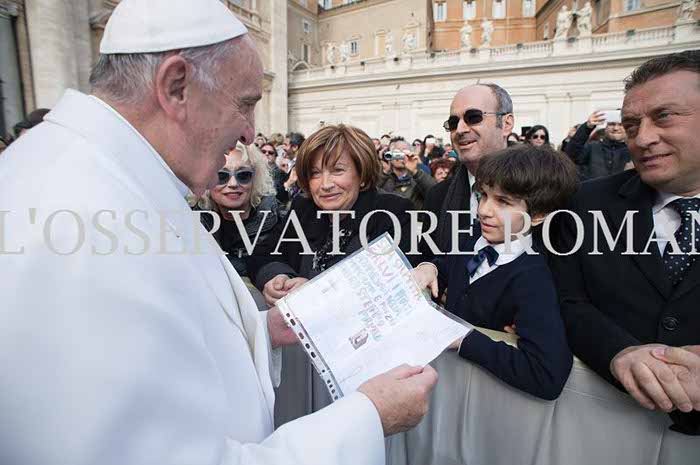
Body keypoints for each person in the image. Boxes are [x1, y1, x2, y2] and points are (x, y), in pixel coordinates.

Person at [0, 2, 438, 464]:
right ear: (176, 86)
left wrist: (262, 331)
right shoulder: (79, 209)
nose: (250, 132)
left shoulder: (111, 176)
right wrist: (368, 417)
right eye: (246, 103)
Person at [550, 50, 700, 435]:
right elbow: (567, 300)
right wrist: (618, 351)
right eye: (632, 125)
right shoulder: (584, 203)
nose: (643, 138)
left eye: (664, 116)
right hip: (603, 429)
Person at [414, 144, 578, 400]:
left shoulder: (532, 279)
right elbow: (454, 269)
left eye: (503, 202)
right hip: (444, 391)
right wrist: (431, 267)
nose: (484, 210)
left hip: (485, 401)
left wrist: (465, 339)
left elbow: (547, 375)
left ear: (538, 215)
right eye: (483, 196)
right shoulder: (473, 238)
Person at [251, 124, 420, 304]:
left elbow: (394, 290)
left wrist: (315, 292)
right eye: (315, 173)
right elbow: (262, 254)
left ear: (362, 174)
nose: (325, 184)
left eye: (337, 170)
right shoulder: (303, 207)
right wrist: (276, 277)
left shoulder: (393, 213)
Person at [421, 83, 515, 260]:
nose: (460, 130)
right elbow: (426, 262)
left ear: (506, 124)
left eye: (473, 117)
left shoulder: (542, 187)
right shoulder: (437, 197)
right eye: (453, 123)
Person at [200, 143, 283, 278]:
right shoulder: (193, 222)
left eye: (243, 175)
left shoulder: (280, 221)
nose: (233, 184)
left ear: (255, 179)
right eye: (221, 176)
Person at [565, 110, 631, 180]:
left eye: (620, 125)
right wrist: (587, 127)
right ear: (606, 127)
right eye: (611, 124)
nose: (615, 128)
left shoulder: (633, 150)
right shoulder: (592, 147)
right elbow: (570, 155)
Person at [377, 139, 437, 209]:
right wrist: (384, 173)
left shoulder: (418, 176)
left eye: (404, 153)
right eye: (396, 153)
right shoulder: (384, 176)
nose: (400, 156)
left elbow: (435, 192)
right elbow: (370, 193)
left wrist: (415, 172)